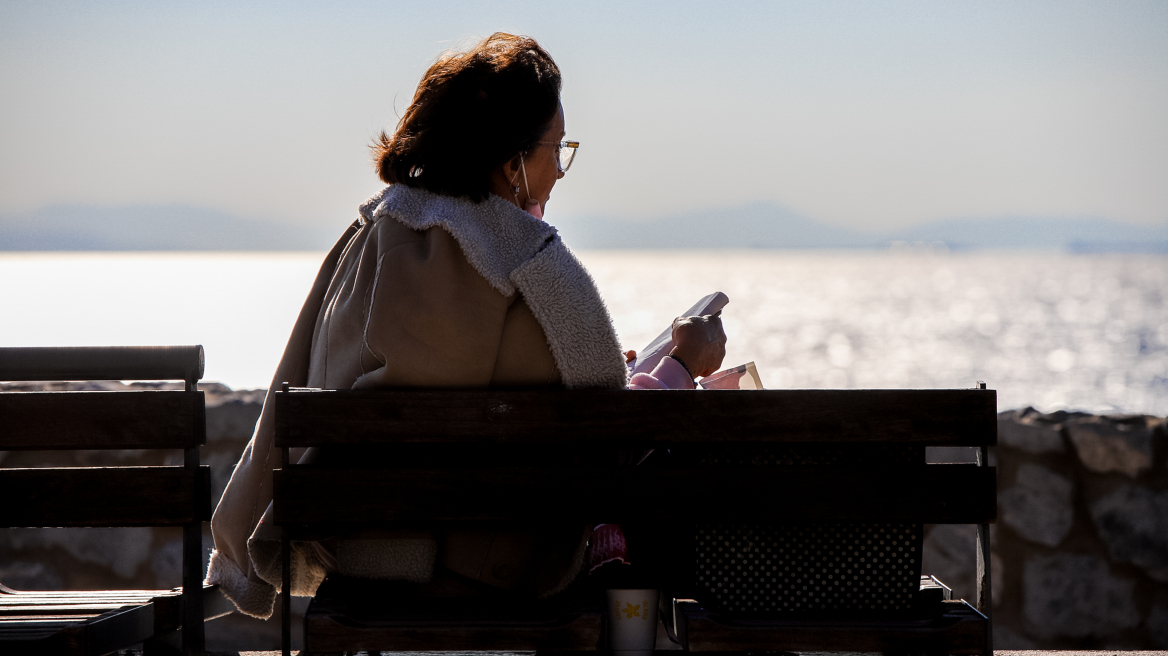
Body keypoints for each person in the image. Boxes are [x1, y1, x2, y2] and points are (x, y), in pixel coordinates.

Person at [205, 32, 726, 619]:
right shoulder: (535, 264)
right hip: (505, 569)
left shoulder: (365, 239)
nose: (559, 170)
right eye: (556, 149)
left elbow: (290, 393)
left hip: (363, 557)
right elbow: (613, 441)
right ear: (512, 164)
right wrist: (681, 366)